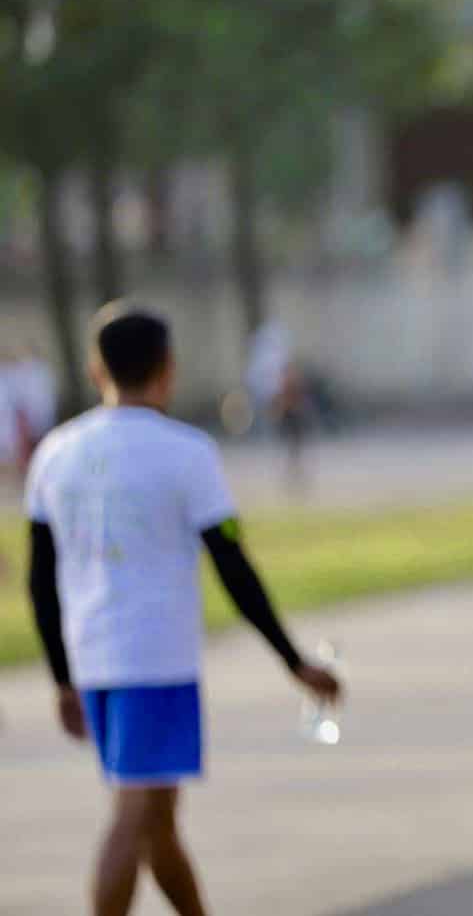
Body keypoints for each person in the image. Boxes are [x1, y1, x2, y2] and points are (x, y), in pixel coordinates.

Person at [26, 303, 341, 916]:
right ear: (167, 369)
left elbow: (39, 581)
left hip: (93, 660)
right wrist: (290, 658)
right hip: (154, 663)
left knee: (157, 823)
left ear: (96, 369)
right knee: (133, 814)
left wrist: (63, 677)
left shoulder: (54, 454)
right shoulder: (187, 453)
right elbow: (231, 562)